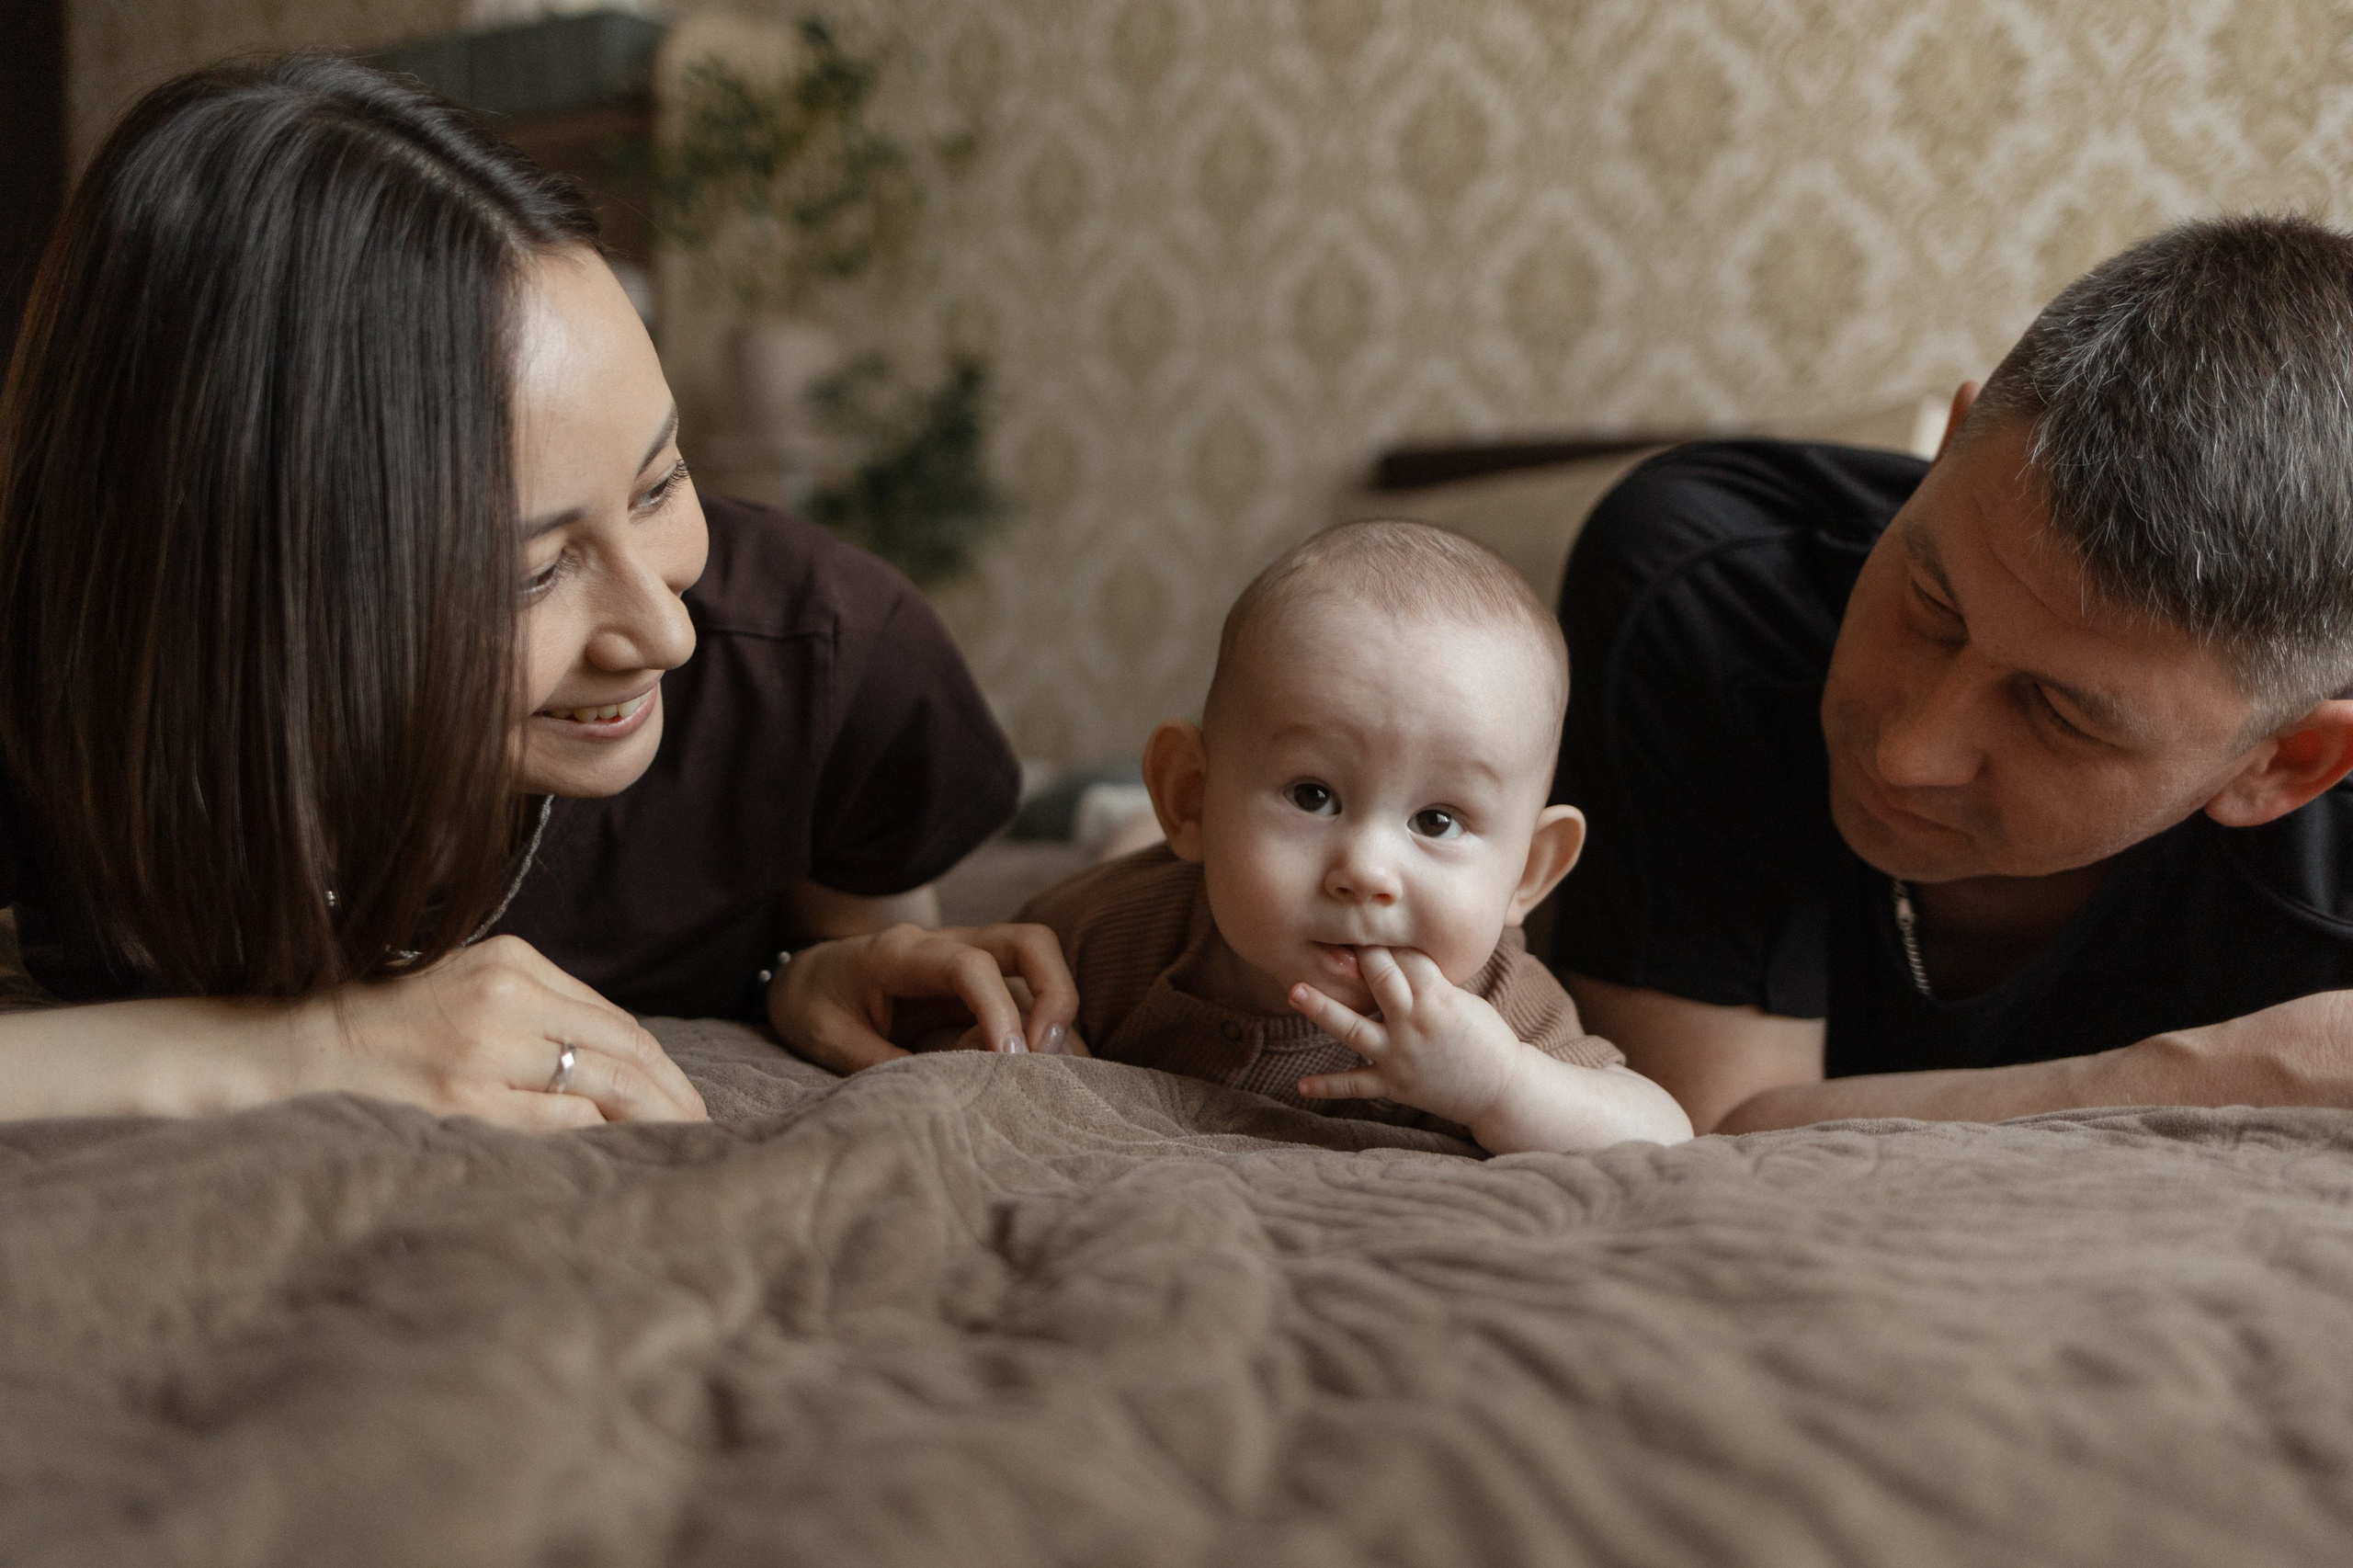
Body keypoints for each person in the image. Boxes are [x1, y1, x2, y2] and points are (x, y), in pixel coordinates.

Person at [0, 56, 1074, 1126]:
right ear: (240, 588)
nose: (664, 631)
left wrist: (796, 975)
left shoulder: (819, 657)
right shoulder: (54, 685)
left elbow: (848, 953)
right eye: (531, 571)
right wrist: (293, 1048)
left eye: (661, 482)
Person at [1547, 215, 2353, 1135]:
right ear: (1950, 446)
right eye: (1932, 604)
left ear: (2283, 763)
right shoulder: (1710, 582)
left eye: (2058, 712)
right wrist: (2214, 1071)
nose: (1904, 751)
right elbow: (1690, 1130)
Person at [1019, 521, 1692, 1152]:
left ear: (1528, 874)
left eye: (1437, 821)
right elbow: (981, 986)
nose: (1367, 870)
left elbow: (1665, 1134)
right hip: (1162, 852)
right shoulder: (1116, 931)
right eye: (1314, 796)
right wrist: (1035, 1035)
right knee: (1133, 847)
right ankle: (1122, 812)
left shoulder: (1495, 1006)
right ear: (1189, 798)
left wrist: (1504, 1086)